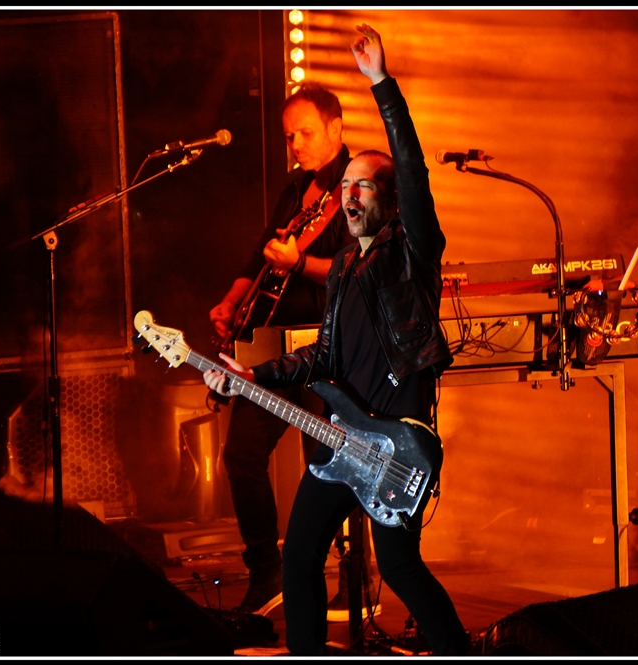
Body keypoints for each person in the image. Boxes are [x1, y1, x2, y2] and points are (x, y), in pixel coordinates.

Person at [204, 24, 470, 656]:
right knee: (299, 558)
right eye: (345, 185)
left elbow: (411, 167)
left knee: (400, 566)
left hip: (395, 441)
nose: (348, 195)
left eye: (362, 185)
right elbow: (322, 357)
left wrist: (381, 83)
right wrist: (252, 376)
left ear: (391, 199)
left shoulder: (412, 253)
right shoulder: (346, 266)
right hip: (342, 441)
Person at [209, 81, 356, 613]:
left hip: (326, 350)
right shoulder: (297, 189)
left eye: (305, 133)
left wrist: (301, 264)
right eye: (290, 136)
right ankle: (266, 572)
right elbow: (260, 253)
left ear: (336, 128)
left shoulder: (361, 184)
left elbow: (359, 268)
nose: (295, 145)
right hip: (274, 348)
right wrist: (231, 303)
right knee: (242, 456)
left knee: (328, 465)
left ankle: (355, 579)